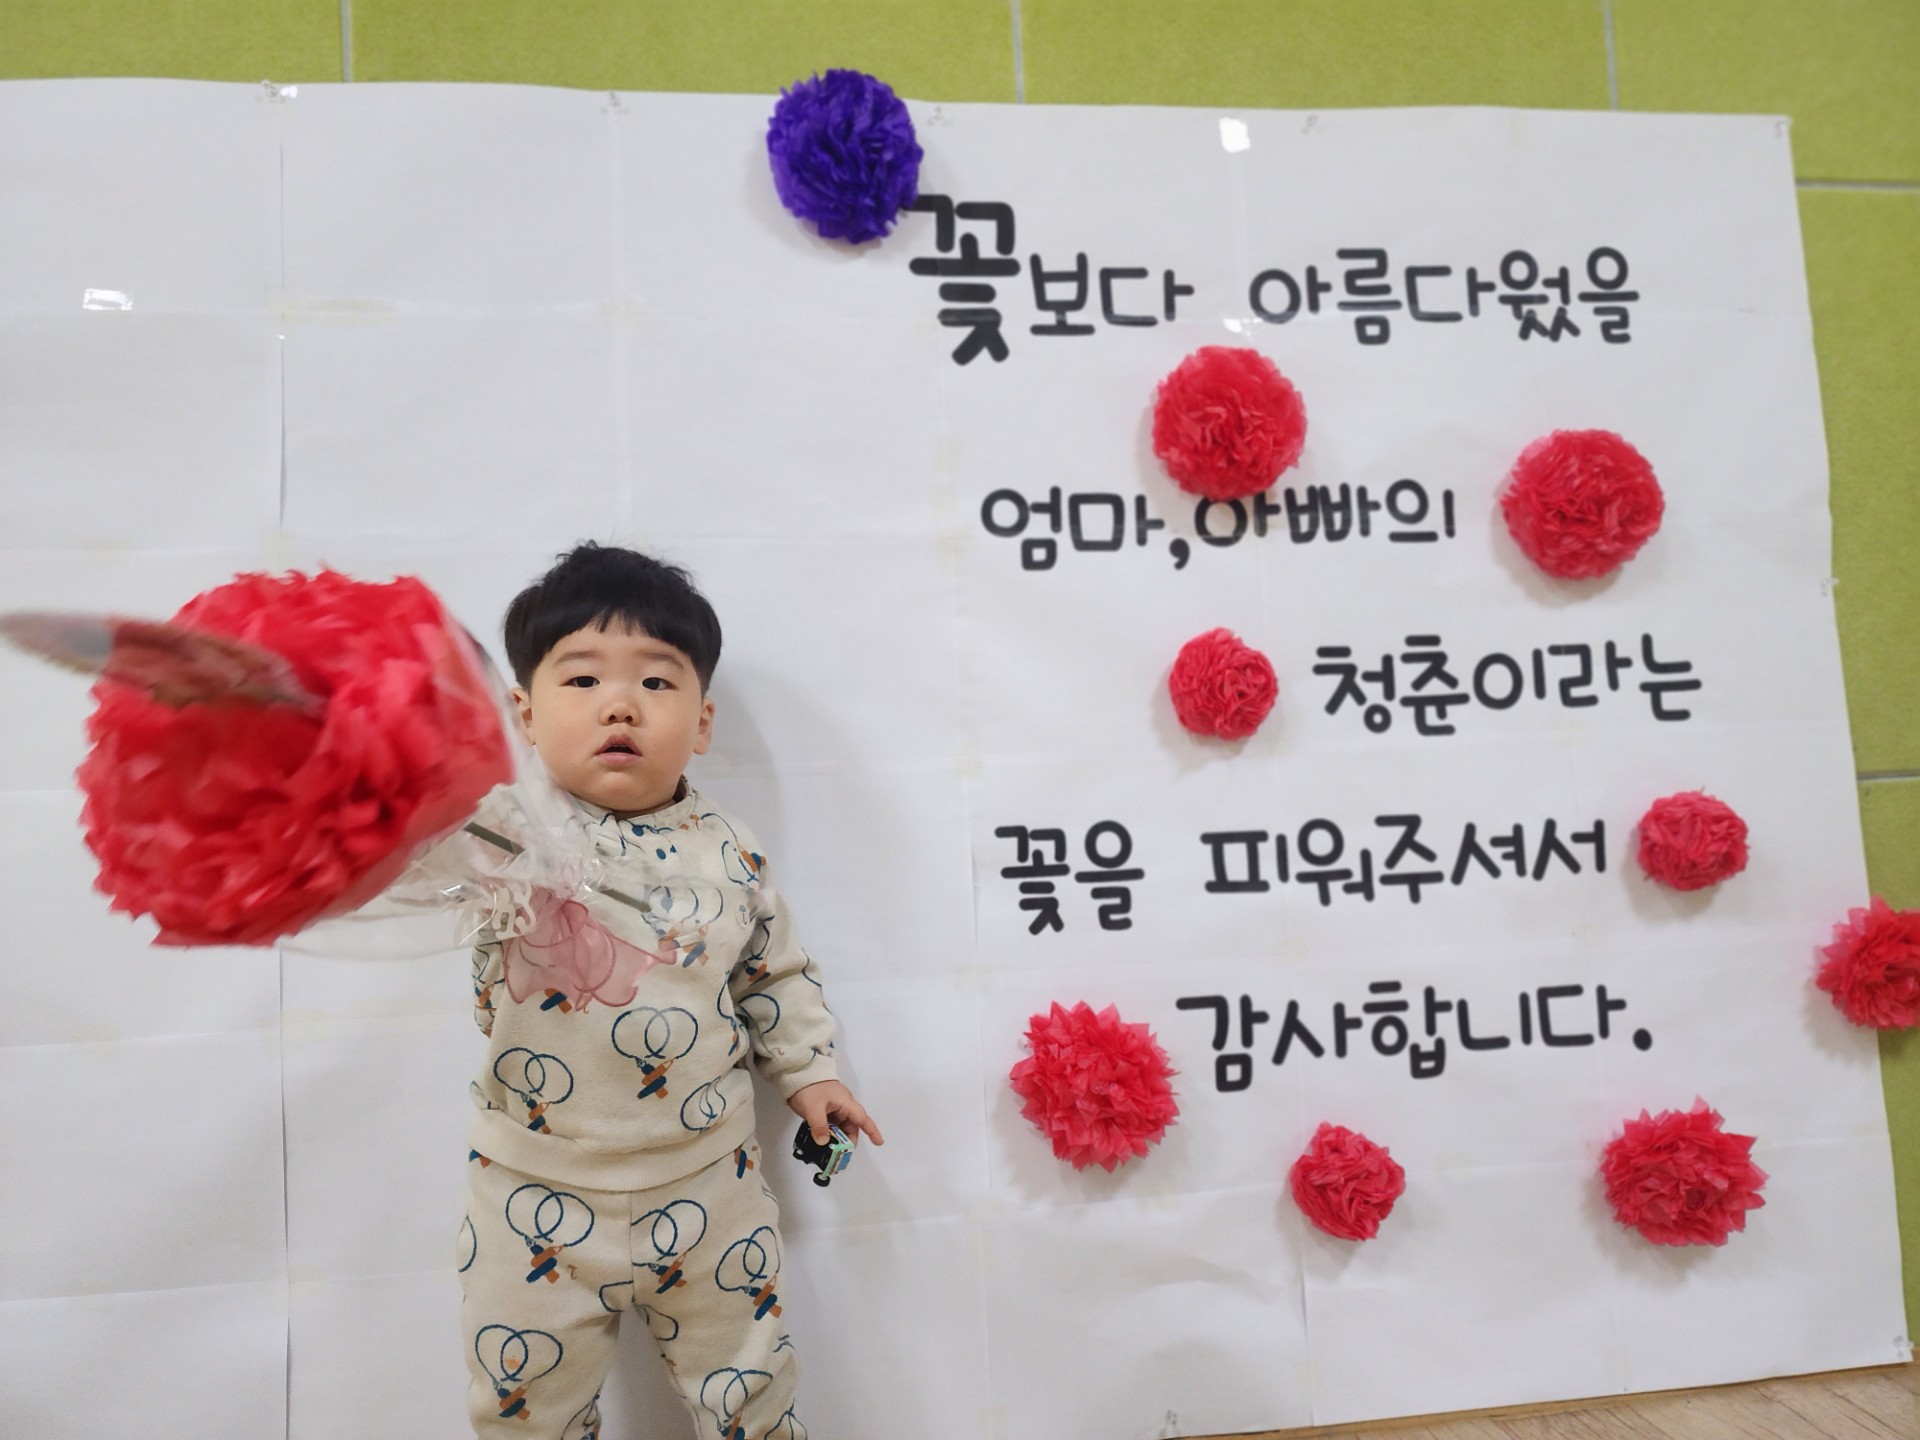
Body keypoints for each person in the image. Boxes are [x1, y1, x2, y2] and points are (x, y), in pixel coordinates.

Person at [460, 542, 881, 1440]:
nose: (620, 704)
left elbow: (772, 972)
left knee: (752, 1392)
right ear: (524, 713)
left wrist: (811, 1074)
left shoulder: (729, 849)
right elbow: (415, 859)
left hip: (710, 1186)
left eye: (656, 682)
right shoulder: (500, 832)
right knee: (524, 1413)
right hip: (532, 1194)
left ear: (702, 721)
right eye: (582, 680)